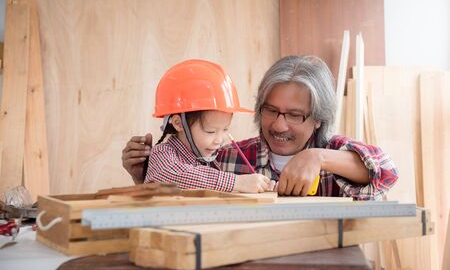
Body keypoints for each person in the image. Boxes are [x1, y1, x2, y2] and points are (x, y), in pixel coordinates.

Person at [122, 55, 398, 200]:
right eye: (270, 110)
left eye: (294, 115)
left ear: (318, 119)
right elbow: (181, 185)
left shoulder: (332, 152)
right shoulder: (225, 156)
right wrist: (143, 175)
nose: (279, 124)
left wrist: (317, 157)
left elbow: (386, 173)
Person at [142, 59, 272, 193]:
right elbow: (170, 175)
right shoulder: (162, 153)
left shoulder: (211, 161)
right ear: (179, 123)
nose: (219, 140)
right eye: (210, 131)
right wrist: (236, 182)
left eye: (225, 129)